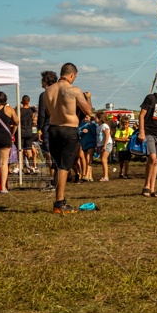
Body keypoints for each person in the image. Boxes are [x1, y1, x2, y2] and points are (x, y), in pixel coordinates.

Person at [42, 63, 93, 213]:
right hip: (69, 129)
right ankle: (60, 202)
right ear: (72, 75)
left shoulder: (47, 91)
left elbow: (49, 112)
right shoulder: (73, 90)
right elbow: (88, 110)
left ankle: (59, 200)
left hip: (53, 129)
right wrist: (88, 98)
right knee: (64, 166)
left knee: (57, 165)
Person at [20, 95, 39, 174]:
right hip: (29, 131)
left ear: (22, 101)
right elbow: (33, 117)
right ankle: (31, 167)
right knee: (29, 150)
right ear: (29, 101)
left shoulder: (20, 110)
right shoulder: (31, 110)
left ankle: (21, 168)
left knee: (20, 150)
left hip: (21, 131)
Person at [78, 111, 98, 182]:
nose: (85, 118)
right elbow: (78, 133)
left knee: (88, 158)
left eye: (87, 117)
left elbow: (95, 133)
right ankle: (90, 176)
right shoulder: (81, 124)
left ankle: (86, 175)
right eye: (84, 117)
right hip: (84, 144)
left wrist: (91, 126)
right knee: (87, 159)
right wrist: (82, 132)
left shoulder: (93, 124)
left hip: (91, 143)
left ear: (90, 117)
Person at [95, 112, 112, 181]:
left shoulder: (104, 126)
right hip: (100, 145)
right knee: (103, 160)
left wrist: (104, 145)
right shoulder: (98, 127)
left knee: (103, 160)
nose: (95, 119)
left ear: (100, 119)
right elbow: (98, 138)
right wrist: (97, 147)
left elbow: (107, 136)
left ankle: (106, 177)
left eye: (96, 117)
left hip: (107, 144)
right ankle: (105, 176)